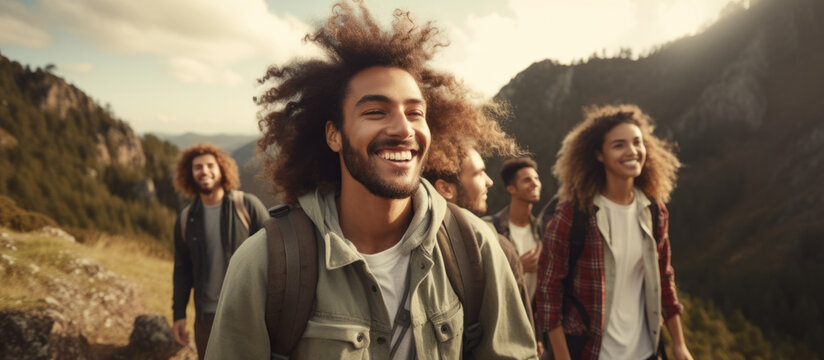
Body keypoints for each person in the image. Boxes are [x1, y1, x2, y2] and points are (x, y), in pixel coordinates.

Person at [205, 2, 536, 359]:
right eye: (376, 111)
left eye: (415, 112)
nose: (403, 128)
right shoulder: (267, 263)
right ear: (334, 135)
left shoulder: (474, 248)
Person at [536, 104, 693, 360]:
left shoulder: (653, 210)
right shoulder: (573, 215)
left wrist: (679, 343)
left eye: (637, 142)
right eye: (619, 145)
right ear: (599, 155)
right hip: (591, 352)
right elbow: (548, 291)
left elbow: (664, 276)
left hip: (646, 351)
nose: (632, 151)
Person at [423, 142, 544, 355]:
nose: (489, 181)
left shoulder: (410, 243)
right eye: (479, 173)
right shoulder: (499, 246)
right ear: (445, 189)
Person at [171, 143, 270, 359]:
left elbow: (275, 252)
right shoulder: (186, 219)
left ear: (222, 169)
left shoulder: (246, 205)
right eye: (198, 167)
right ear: (190, 174)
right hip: (206, 319)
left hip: (247, 313)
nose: (204, 171)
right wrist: (179, 314)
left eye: (210, 165)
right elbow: (182, 271)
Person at [486, 157, 543, 303]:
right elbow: (483, 278)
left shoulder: (542, 229)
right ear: (511, 189)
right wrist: (519, 267)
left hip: (534, 312)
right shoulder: (490, 228)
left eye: (536, 178)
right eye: (527, 180)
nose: (535, 183)